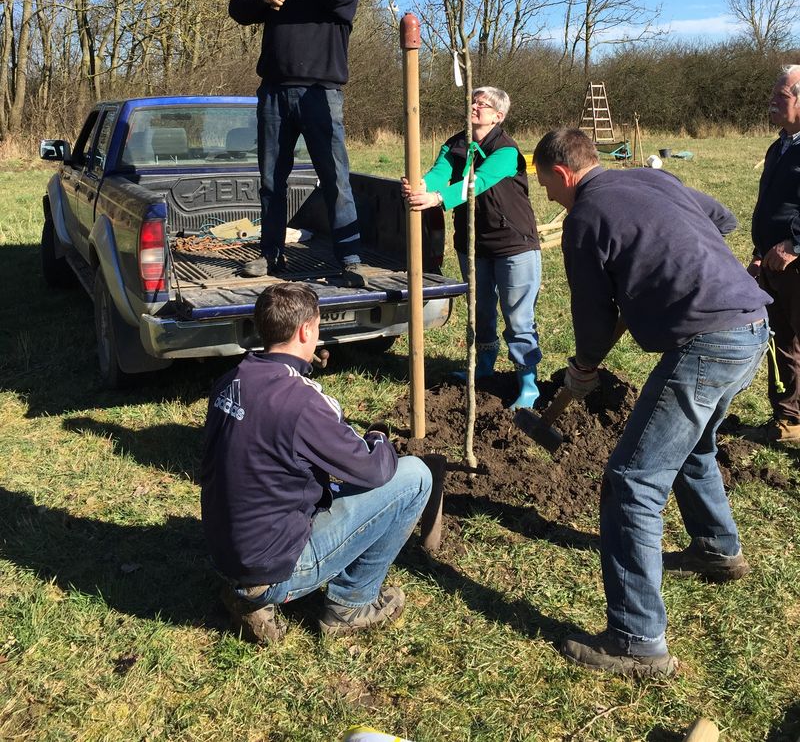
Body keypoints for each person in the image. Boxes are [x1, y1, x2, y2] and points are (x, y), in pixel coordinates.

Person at [533, 128, 769, 678]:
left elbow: (592, 315)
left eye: (545, 184)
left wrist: (583, 366)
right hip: (752, 327)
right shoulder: (652, 179)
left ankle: (637, 639)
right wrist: (670, 252)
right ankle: (716, 547)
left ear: (563, 174)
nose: (548, 195)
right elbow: (724, 219)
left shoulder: (584, 219)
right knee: (693, 447)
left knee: (632, 481)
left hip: (707, 343)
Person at [200, 281, 432, 642]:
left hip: (225, 554)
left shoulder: (231, 380)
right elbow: (373, 470)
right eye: (319, 326)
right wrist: (378, 438)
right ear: (306, 330)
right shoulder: (304, 402)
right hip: (273, 566)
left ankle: (248, 592)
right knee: (415, 476)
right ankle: (351, 605)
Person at [229, 0, 362, 278]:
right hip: (274, 93)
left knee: (335, 178)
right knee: (271, 180)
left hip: (321, 94)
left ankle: (349, 259)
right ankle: (271, 254)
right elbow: (237, 6)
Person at [402, 87, 542, 409]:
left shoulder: (506, 151)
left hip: (513, 246)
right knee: (481, 312)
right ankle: (484, 367)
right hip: (472, 246)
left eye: (484, 104)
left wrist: (438, 199)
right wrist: (421, 186)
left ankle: (528, 384)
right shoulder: (456, 144)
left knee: (518, 317)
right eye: (473, 101)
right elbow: (440, 173)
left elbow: (476, 182)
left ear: (498, 116)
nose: (475, 106)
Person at [749, 65, 800, 442]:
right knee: (782, 340)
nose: (771, 102)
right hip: (771, 262)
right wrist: (759, 251)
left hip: (795, 261)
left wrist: (795, 245)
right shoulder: (779, 146)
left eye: (780, 96)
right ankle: (789, 419)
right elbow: (770, 205)